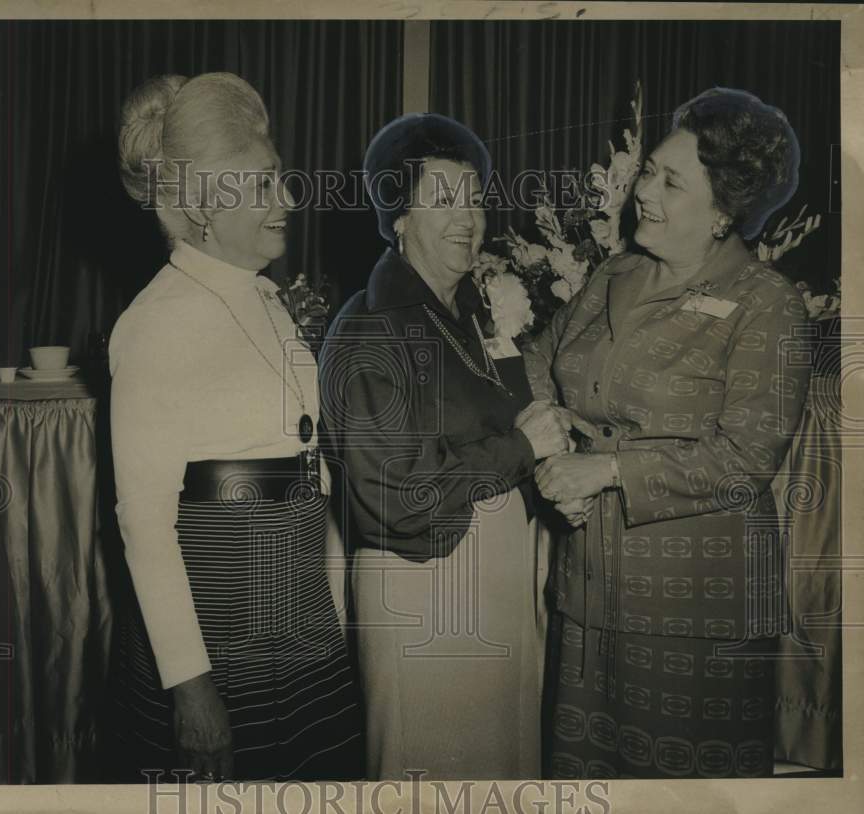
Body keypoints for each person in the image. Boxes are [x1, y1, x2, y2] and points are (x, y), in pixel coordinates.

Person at [524, 87, 812, 779]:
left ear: (724, 213)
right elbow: (538, 362)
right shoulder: (615, 272)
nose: (643, 192)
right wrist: (549, 442)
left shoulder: (767, 304)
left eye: (670, 181)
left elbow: (748, 456)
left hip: (695, 613)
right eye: (648, 170)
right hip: (589, 592)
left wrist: (609, 471)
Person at [109, 72, 361, 783]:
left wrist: (336, 617)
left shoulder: (268, 301)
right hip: (221, 648)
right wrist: (190, 688)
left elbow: (310, 464)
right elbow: (146, 526)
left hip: (303, 637)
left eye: (278, 179)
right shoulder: (155, 324)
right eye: (262, 185)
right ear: (205, 207)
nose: (287, 200)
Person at [319, 113, 586, 780]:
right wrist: (522, 447)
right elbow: (397, 494)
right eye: (442, 199)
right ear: (398, 218)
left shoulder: (472, 317)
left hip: (495, 592)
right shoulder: (370, 329)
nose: (466, 216)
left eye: (472, 196)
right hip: (426, 597)